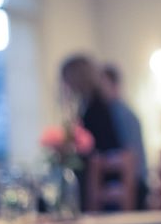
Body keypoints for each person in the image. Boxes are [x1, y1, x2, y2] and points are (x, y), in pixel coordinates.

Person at [61, 54, 121, 209]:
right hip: (100, 173)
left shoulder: (96, 107)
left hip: (104, 177)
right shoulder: (90, 103)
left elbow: (95, 146)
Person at [101, 64, 149, 210]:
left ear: (114, 85)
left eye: (103, 85)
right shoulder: (113, 111)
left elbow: (132, 154)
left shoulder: (122, 113)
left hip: (133, 184)